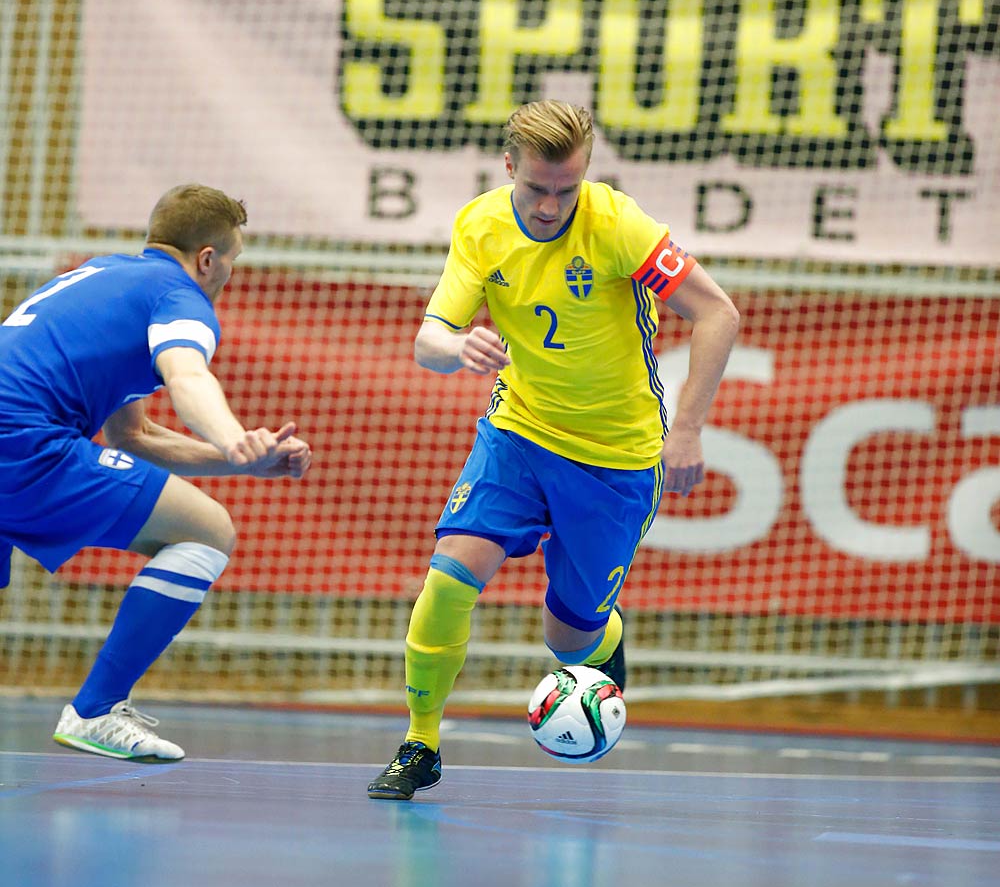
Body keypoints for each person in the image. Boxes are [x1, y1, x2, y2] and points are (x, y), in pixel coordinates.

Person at [367, 101, 739, 800]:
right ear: (510, 167)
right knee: (448, 578)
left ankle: (601, 647)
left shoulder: (617, 225)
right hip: (520, 431)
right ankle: (420, 743)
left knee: (568, 640)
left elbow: (717, 311)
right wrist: (456, 346)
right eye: (537, 188)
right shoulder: (480, 225)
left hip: (617, 455)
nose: (549, 206)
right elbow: (430, 339)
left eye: (566, 189)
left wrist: (686, 430)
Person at [0, 183, 312, 762]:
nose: (228, 277)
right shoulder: (178, 294)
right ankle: (95, 709)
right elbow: (188, 375)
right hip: (21, 442)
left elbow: (132, 436)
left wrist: (243, 460)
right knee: (208, 530)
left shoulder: (105, 275)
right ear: (208, 258)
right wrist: (232, 436)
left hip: (16, 435)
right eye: (233, 263)